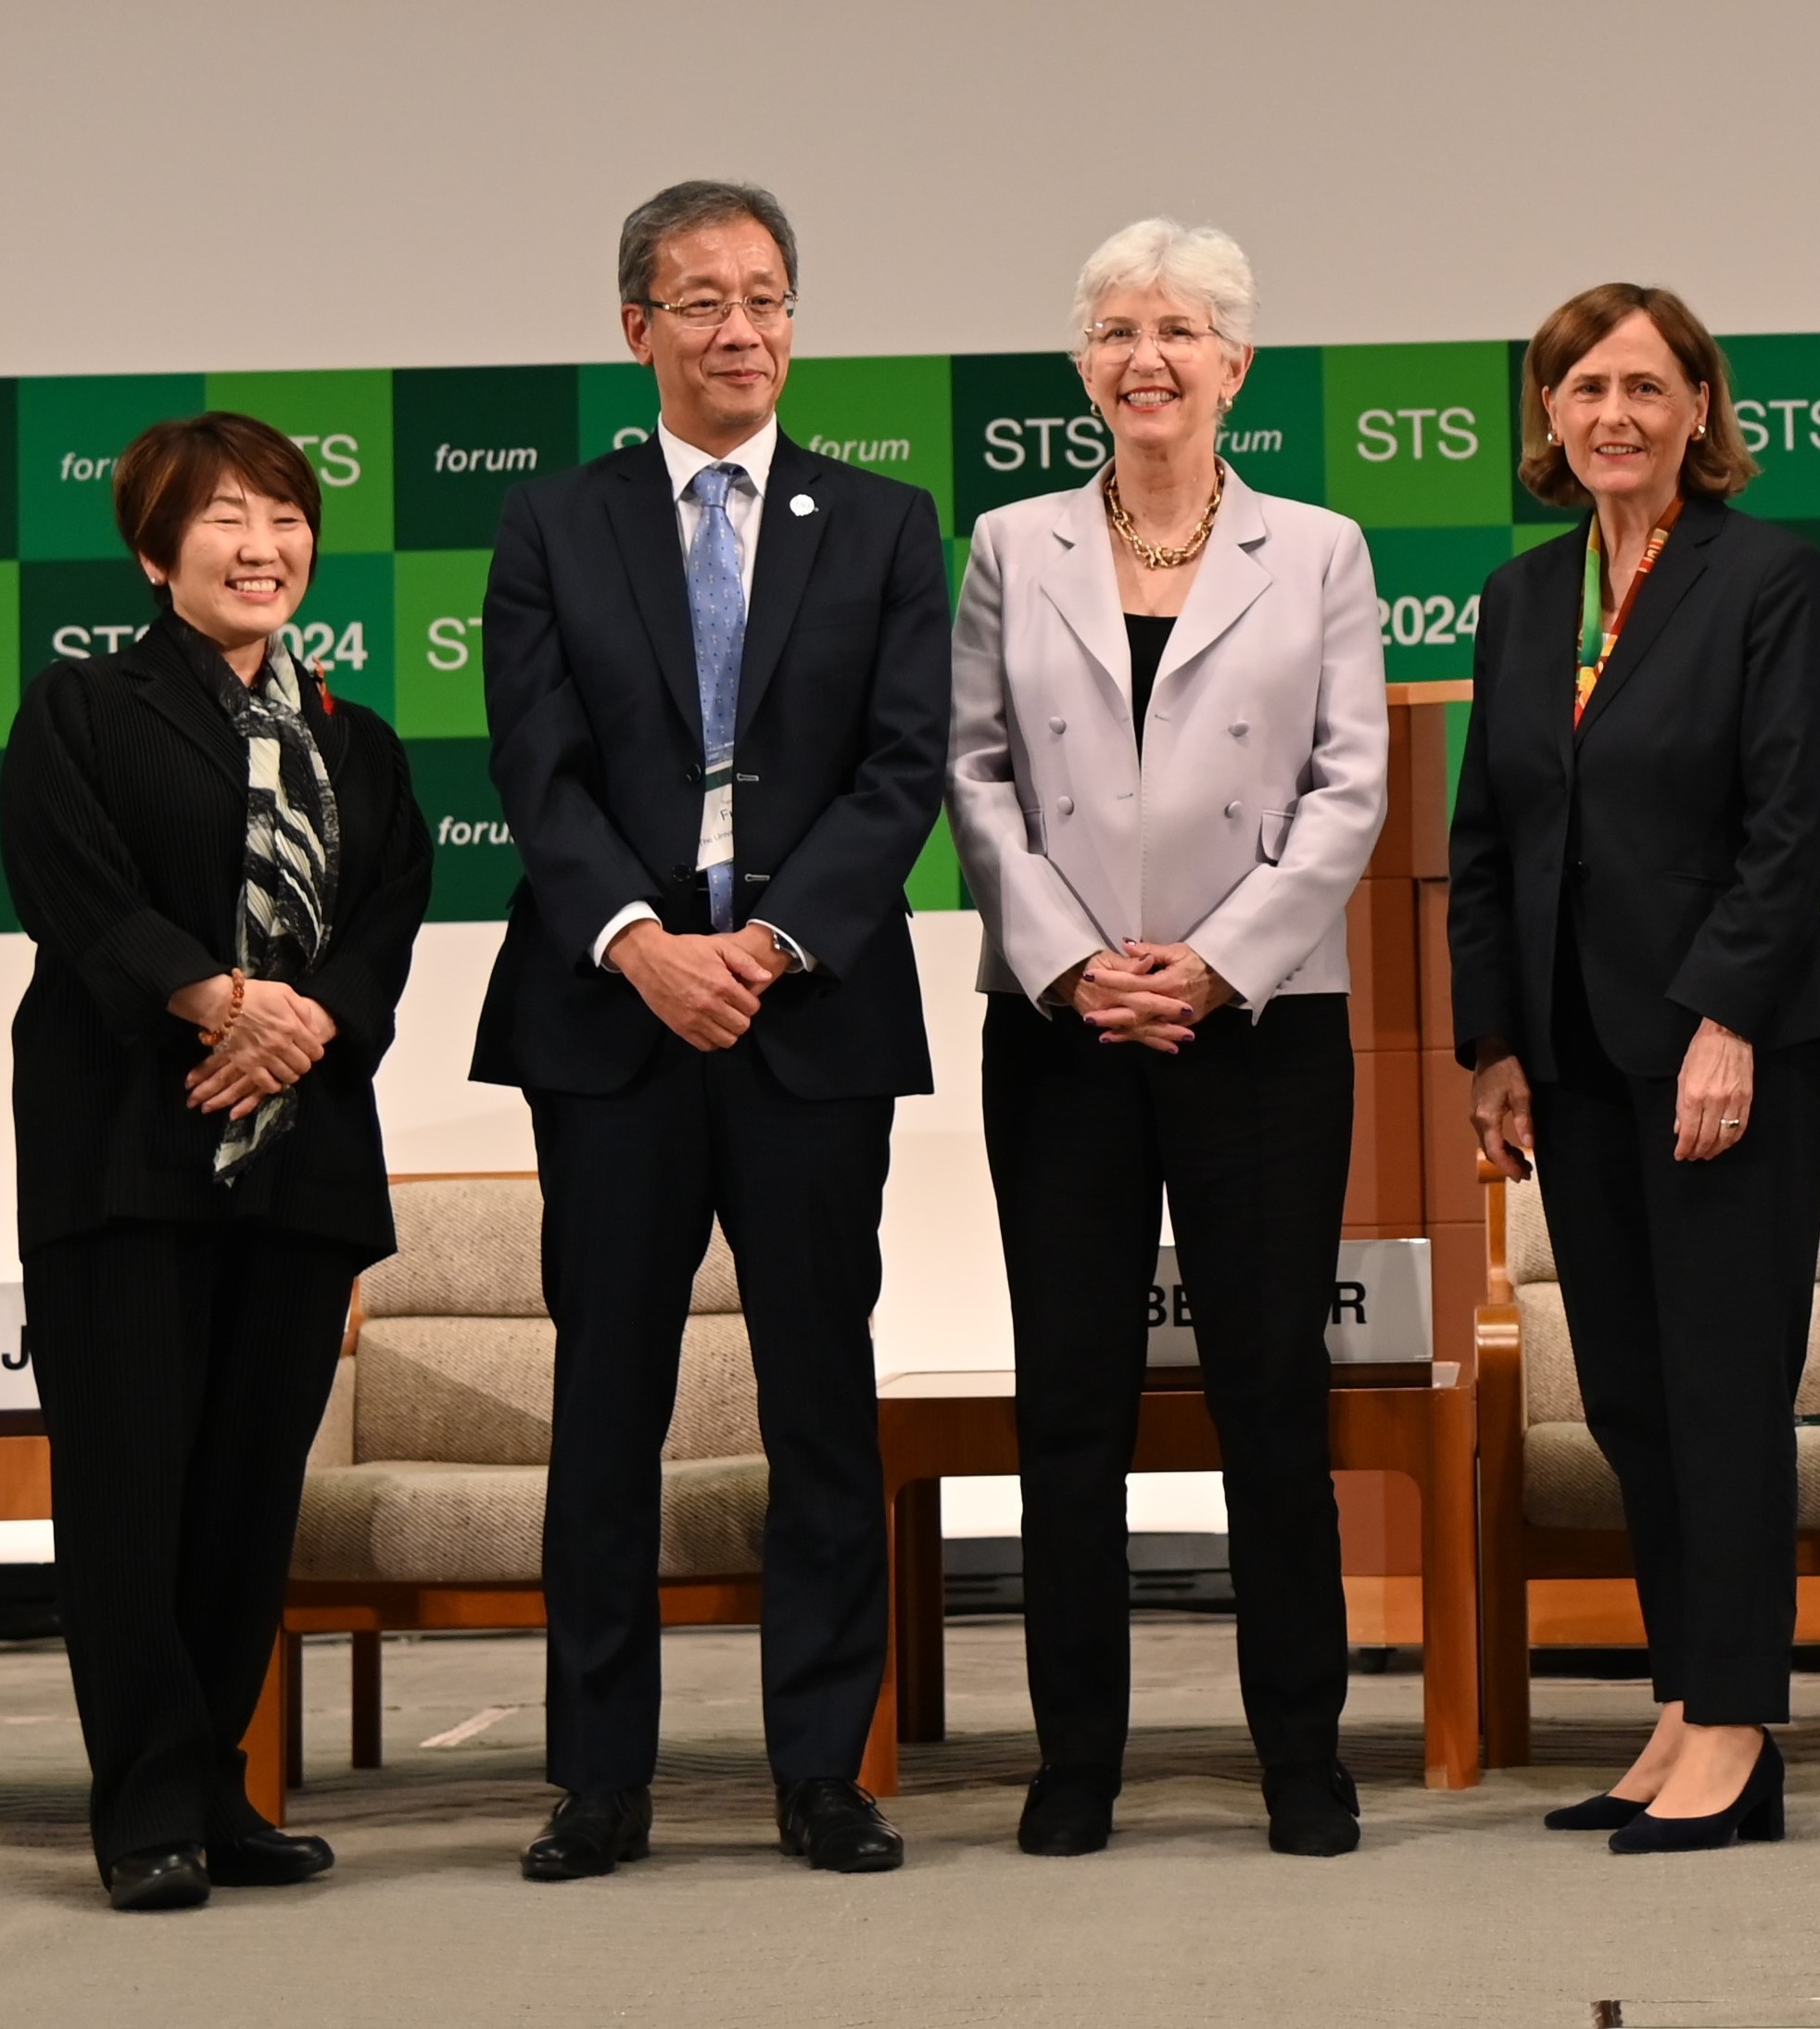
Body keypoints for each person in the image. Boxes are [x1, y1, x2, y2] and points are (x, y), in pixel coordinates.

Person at [474, 180, 949, 1880]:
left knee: (825, 1396)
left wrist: (766, 941)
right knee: (608, 1400)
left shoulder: (887, 526)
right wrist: (639, 944)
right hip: (611, 1028)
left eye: (766, 298)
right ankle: (598, 1778)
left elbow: (905, 773)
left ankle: (825, 1768)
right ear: (637, 329)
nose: (740, 327)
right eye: (701, 300)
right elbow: (537, 770)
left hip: (808, 1018)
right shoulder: (551, 524)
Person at [949, 219, 1390, 1859]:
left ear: (1235, 365)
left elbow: (1352, 787)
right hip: (1062, 1028)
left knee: (1272, 1391)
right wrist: (1074, 966)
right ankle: (1076, 1762)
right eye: (1119, 329)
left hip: (1260, 1025)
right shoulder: (1012, 541)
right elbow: (975, 771)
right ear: (1085, 366)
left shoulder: (1321, 548)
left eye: (1182, 329)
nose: (1149, 356)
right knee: (1070, 1404)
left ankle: (1303, 1756)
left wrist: (1211, 965)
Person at [3, 413, 431, 1910]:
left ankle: (222, 1784)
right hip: (124, 1154)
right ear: (151, 550)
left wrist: (299, 1028)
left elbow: (386, 913)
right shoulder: (79, 708)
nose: (264, 545)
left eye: (286, 516)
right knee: (129, 1489)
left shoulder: (357, 741)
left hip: (297, 1161)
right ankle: (144, 1806)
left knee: (250, 1491)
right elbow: (73, 885)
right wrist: (218, 1001)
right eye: (225, 518)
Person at [1450, 283, 1820, 1854]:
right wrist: (1491, 1041)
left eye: (1644, 386)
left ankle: (1743, 1726)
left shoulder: (1772, 581)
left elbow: (1790, 823)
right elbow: (1486, 841)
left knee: (1725, 1390)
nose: (1612, 413)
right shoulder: (1519, 597)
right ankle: (1685, 1698)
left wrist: (1725, 1020)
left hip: (1719, 1053)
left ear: (1700, 408)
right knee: (1629, 1397)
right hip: (1569, 1056)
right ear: (1548, 415)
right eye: (1581, 386)